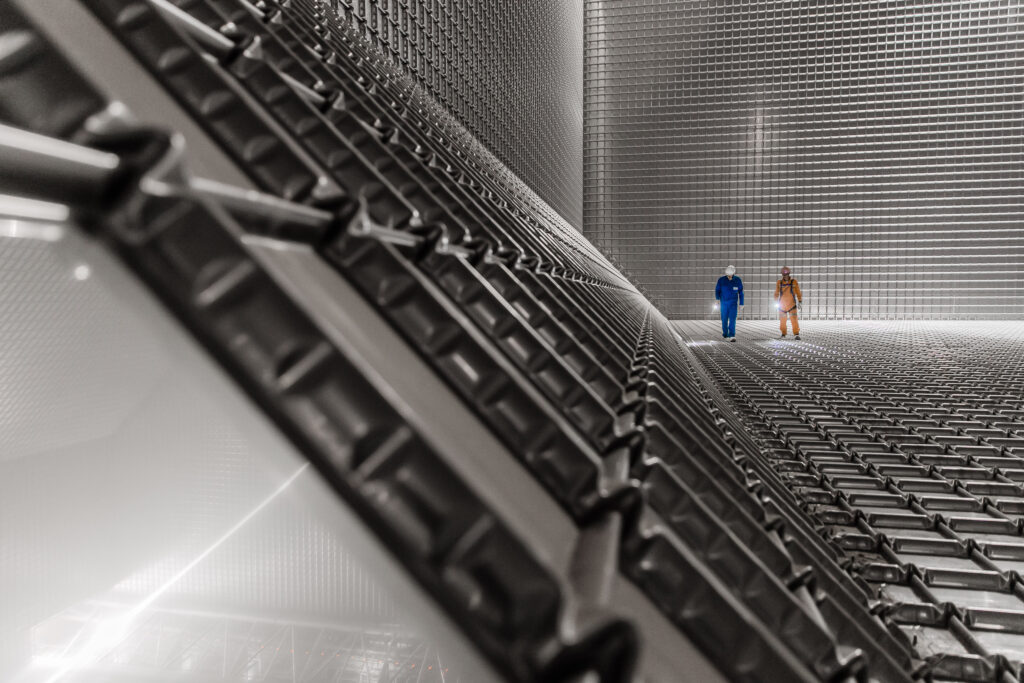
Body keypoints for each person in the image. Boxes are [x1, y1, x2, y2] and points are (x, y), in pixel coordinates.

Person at [714, 265, 743, 342]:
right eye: (728, 275)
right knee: (724, 319)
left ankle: (732, 335)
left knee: (732, 319)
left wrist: (741, 303)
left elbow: (741, 293)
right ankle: (725, 334)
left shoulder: (737, 280)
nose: (729, 277)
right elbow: (717, 290)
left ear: (733, 273)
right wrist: (717, 299)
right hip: (724, 303)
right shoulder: (721, 280)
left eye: (730, 276)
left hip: (733, 304)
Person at [774, 266, 802, 339]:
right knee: (782, 321)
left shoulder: (794, 282)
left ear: (789, 274)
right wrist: (775, 301)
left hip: (792, 305)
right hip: (782, 306)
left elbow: (798, 292)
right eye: (784, 275)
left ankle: (796, 334)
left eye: (786, 274)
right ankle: (783, 334)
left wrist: (800, 301)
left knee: (794, 320)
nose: (785, 276)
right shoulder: (779, 283)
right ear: (782, 275)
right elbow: (776, 293)